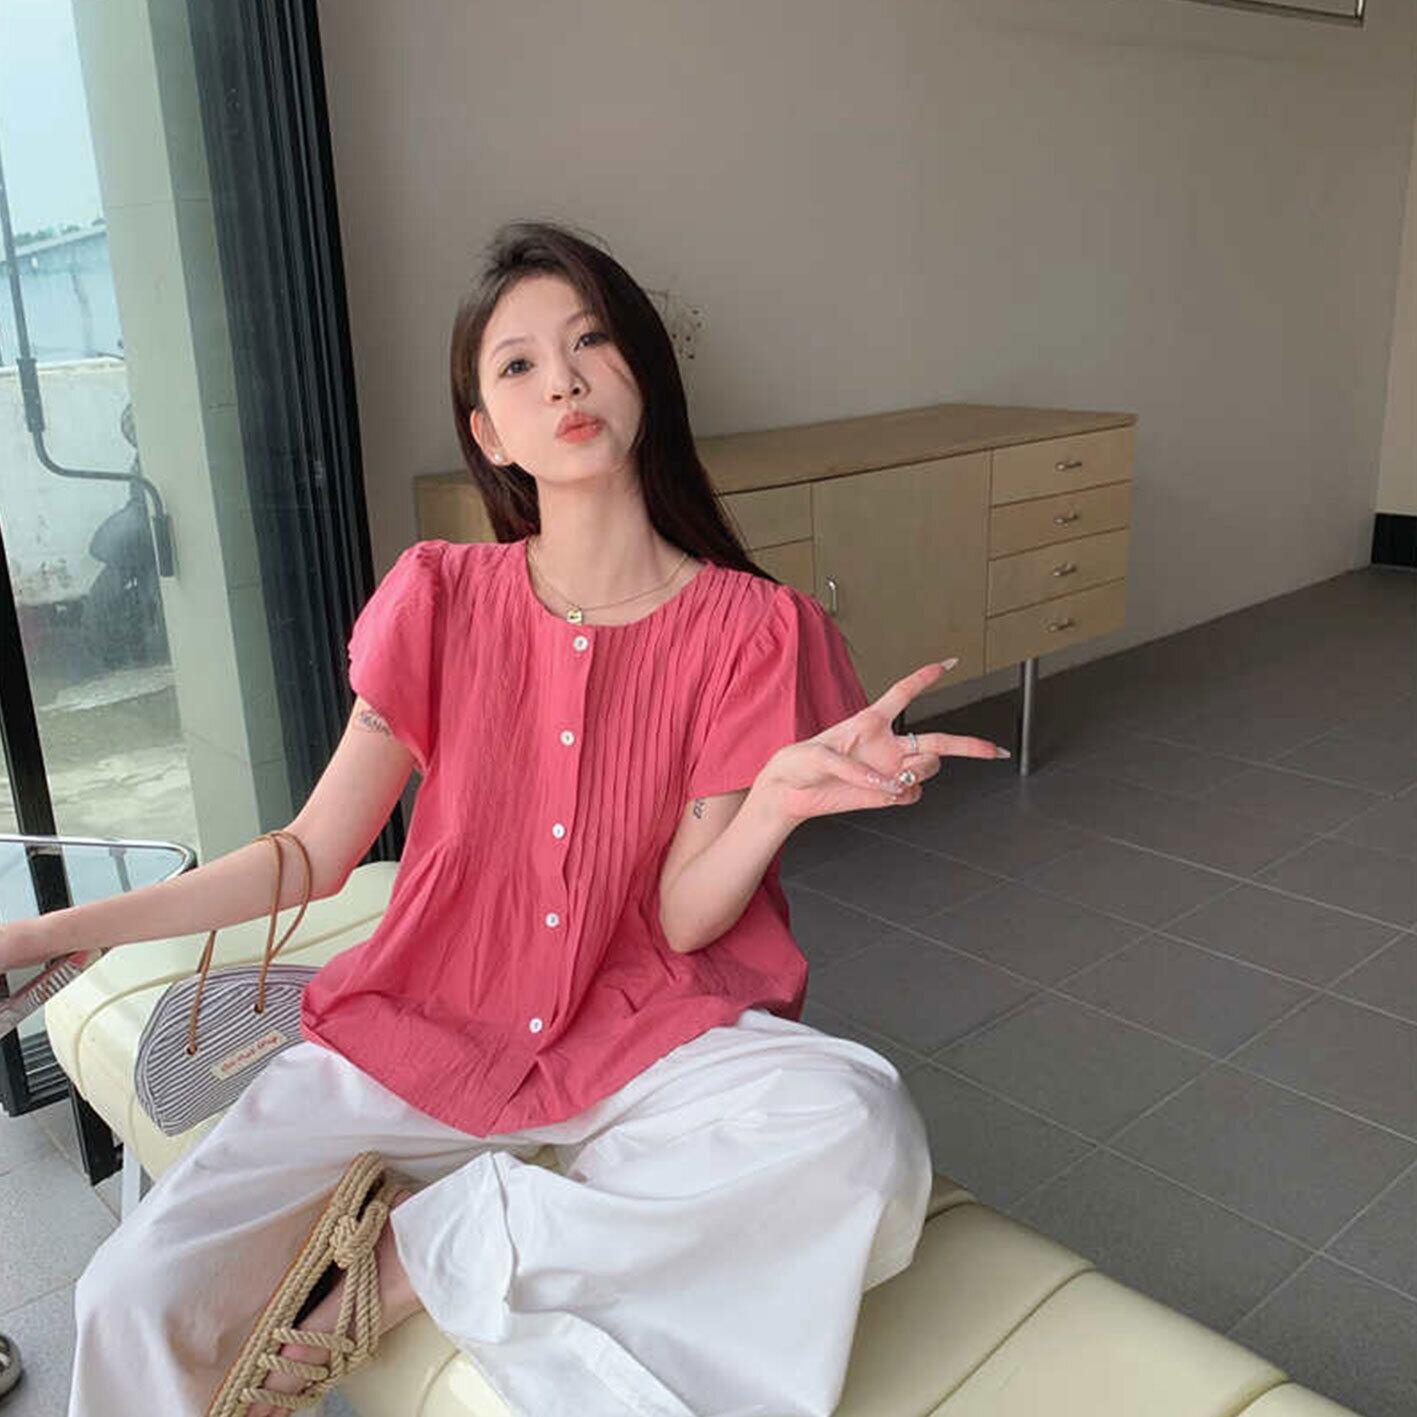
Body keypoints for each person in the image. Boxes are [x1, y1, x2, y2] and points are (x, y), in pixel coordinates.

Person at [1, 220, 1011, 1417]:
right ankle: (497, 1217)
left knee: (857, 1128)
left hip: (642, 1033)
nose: (564, 382)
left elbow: (685, 922)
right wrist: (51, 935)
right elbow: (313, 853)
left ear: (642, 372)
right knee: (127, 1300)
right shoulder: (437, 593)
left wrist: (774, 806)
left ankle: (434, 1247)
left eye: (590, 344)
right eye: (520, 365)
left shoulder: (754, 626)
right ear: (487, 431)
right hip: (420, 1026)